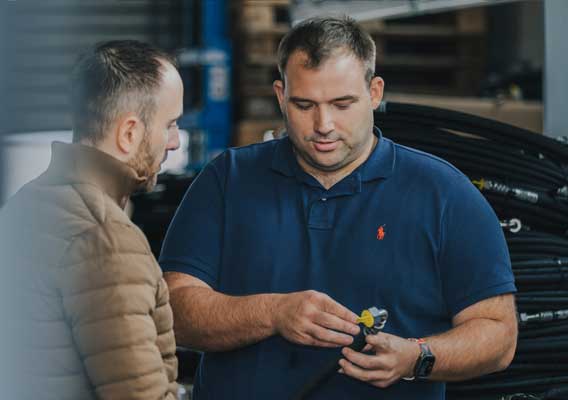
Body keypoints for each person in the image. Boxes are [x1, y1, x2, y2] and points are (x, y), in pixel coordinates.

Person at [160, 16, 517, 399]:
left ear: (375, 92)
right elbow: (171, 312)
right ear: (280, 95)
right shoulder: (228, 180)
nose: (323, 124)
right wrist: (272, 313)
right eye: (303, 105)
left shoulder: (443, 193)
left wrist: (417, 357)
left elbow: (498, 333)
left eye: (342, 104)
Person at [0, 40, 183, 399]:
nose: (174, 142)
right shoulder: (104, 237)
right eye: (170, 124)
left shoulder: (27, 203)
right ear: (130, 133)